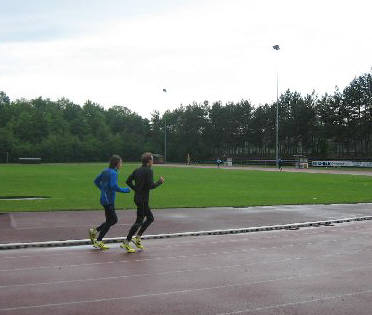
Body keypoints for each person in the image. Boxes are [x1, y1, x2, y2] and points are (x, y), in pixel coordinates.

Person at [121, 152, 165, 253]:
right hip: (143, 200)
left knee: (150, 218)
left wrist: (135, 189)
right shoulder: (149, 171)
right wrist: (160, 182)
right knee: (140, 221)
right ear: (149, 161)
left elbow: (128, 181)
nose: (153, 162)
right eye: (152, 160)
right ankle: (127, 241)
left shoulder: (137, 170)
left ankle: (137, 237)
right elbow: (151, 186)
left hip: (137, 198)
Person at [89, 155, 131, 250]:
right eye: (121, 163)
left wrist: (103, 189)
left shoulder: (105, 171)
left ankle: (95, 231)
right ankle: (98, 240)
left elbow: (96, 181)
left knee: (110, 220)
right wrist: (125, 190)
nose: (122, 164)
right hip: (108, 201)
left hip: (104, 199)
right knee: (113, 220)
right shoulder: (113, 173)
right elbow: (113, 186)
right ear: (116, 164)